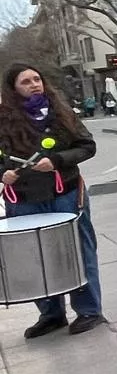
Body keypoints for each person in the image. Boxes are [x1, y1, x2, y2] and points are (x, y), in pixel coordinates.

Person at [1, 64, 106, 337]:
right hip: (24, 198)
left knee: (79, 250)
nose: (34, 84)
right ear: (13, 89)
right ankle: (51, 314)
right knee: (34, 257)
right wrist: (3, 174)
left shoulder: (62, 113)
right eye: (26, 81)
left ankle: (89, 310)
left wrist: (58, 160)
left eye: (37, 79)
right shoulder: (3, 119)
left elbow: (87, 146)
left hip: (66, 193)